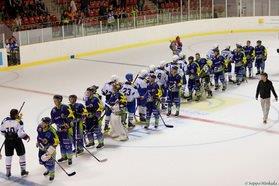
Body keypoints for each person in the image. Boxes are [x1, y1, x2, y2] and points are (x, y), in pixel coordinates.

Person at [0, 109, 30, 177]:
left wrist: (8, 135)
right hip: (17, 141)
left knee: (8, 156)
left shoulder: (5, 120)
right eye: (17, 114)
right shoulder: (19, 122)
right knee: (22, 155)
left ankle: (8, 172)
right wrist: (26, 136)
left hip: (8, 141)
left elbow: (1, 131)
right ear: (16, 114)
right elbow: (20, 134)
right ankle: (23, 171)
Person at [50, 95, 74, 165]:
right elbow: (53, 120)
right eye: (54, 100)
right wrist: (49, 123)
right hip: (59, 129)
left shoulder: (65, 107)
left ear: (60, 100)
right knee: (61, 144)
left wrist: (66, 119)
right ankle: (64, 156)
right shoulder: (53, 110)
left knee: (67, 144)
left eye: (56, 100)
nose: (54, 102)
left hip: (67, 129)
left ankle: (69, 158)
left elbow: (71, 117)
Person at [37, 117, 59, 181]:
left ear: (48, 124)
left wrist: (50, 151)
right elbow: (39, 135)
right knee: (42, 161)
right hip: (41, 147)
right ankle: (48, 169)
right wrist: (38, 142)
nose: (41, 123)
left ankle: (52, 174)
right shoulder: (39, 127)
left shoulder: (52, 131)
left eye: (43, 123)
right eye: (42, 122)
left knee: (50, 163)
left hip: (50, 149)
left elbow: (56, 142)